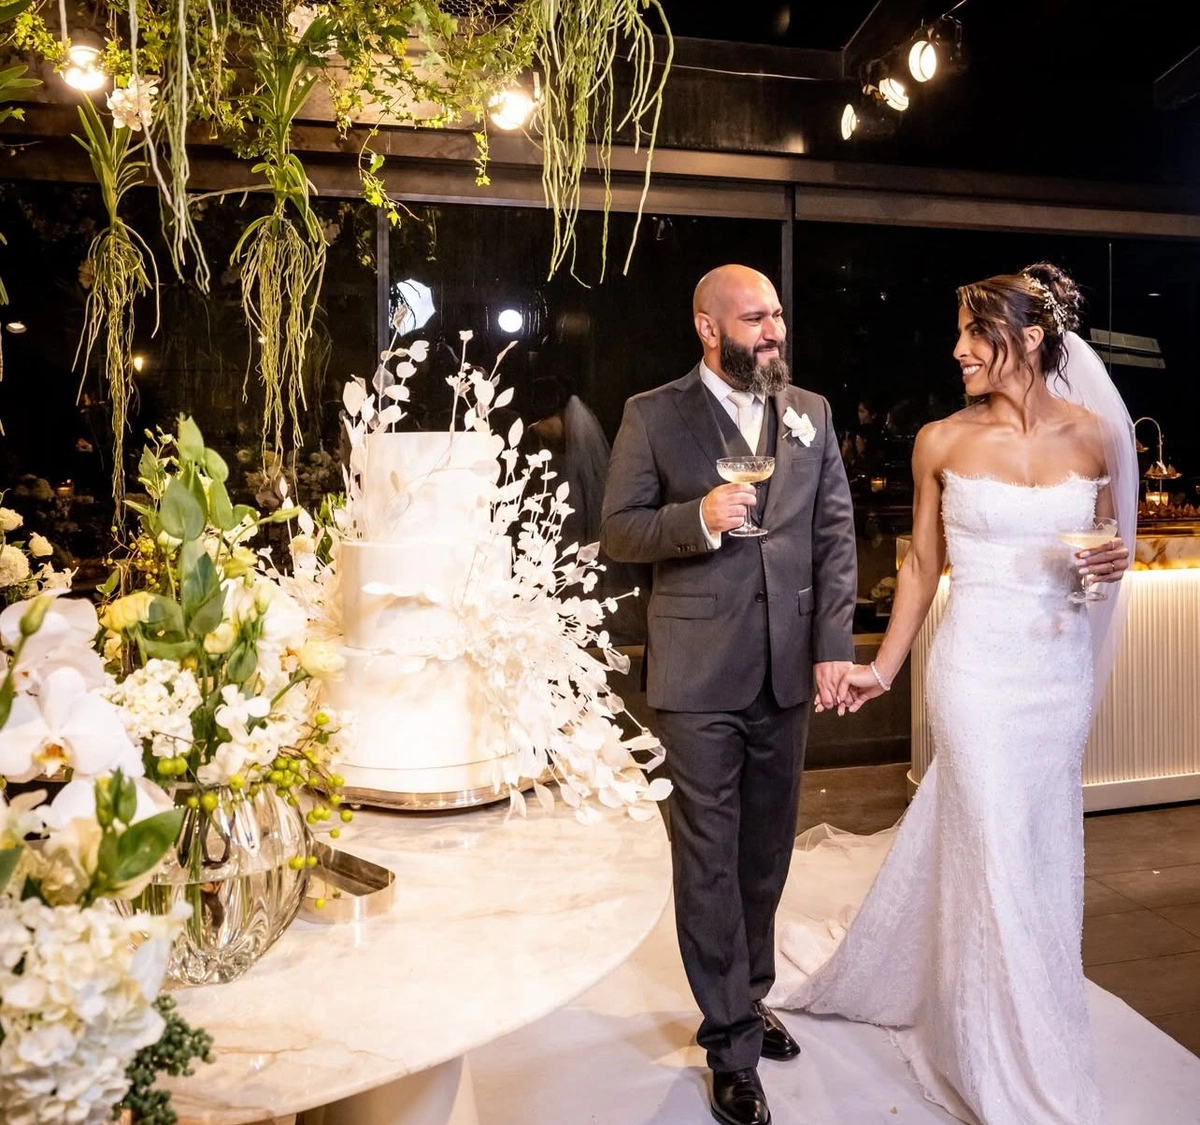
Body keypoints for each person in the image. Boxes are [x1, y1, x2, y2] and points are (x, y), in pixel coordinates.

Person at [769, 262, 1136, 1125]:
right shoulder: (940, 439)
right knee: (995, 843)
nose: (959, 349)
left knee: (1034, 846)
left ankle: (1028, 1011)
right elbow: (922, 566)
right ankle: (997, 1055)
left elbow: (1103, 552)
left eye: (976, 333)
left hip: (1056, 673)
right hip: (973, 670)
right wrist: (884, 669)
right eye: (963, 333)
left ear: (1032, 339)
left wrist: (1109, 562)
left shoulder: (1095, 437)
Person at [600, 264, 857, 1125]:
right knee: (708, 858)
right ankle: (729, 1043)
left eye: (779, 314)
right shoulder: (652, 413)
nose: (774, 330)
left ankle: (747, 997)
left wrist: (830, 648)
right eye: (756, 318)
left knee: (765, 855)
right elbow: (617, 530)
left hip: (786, 669)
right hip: (697, 674)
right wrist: (699, 519)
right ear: (709, 329)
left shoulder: (809, 413)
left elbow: (832, 534)